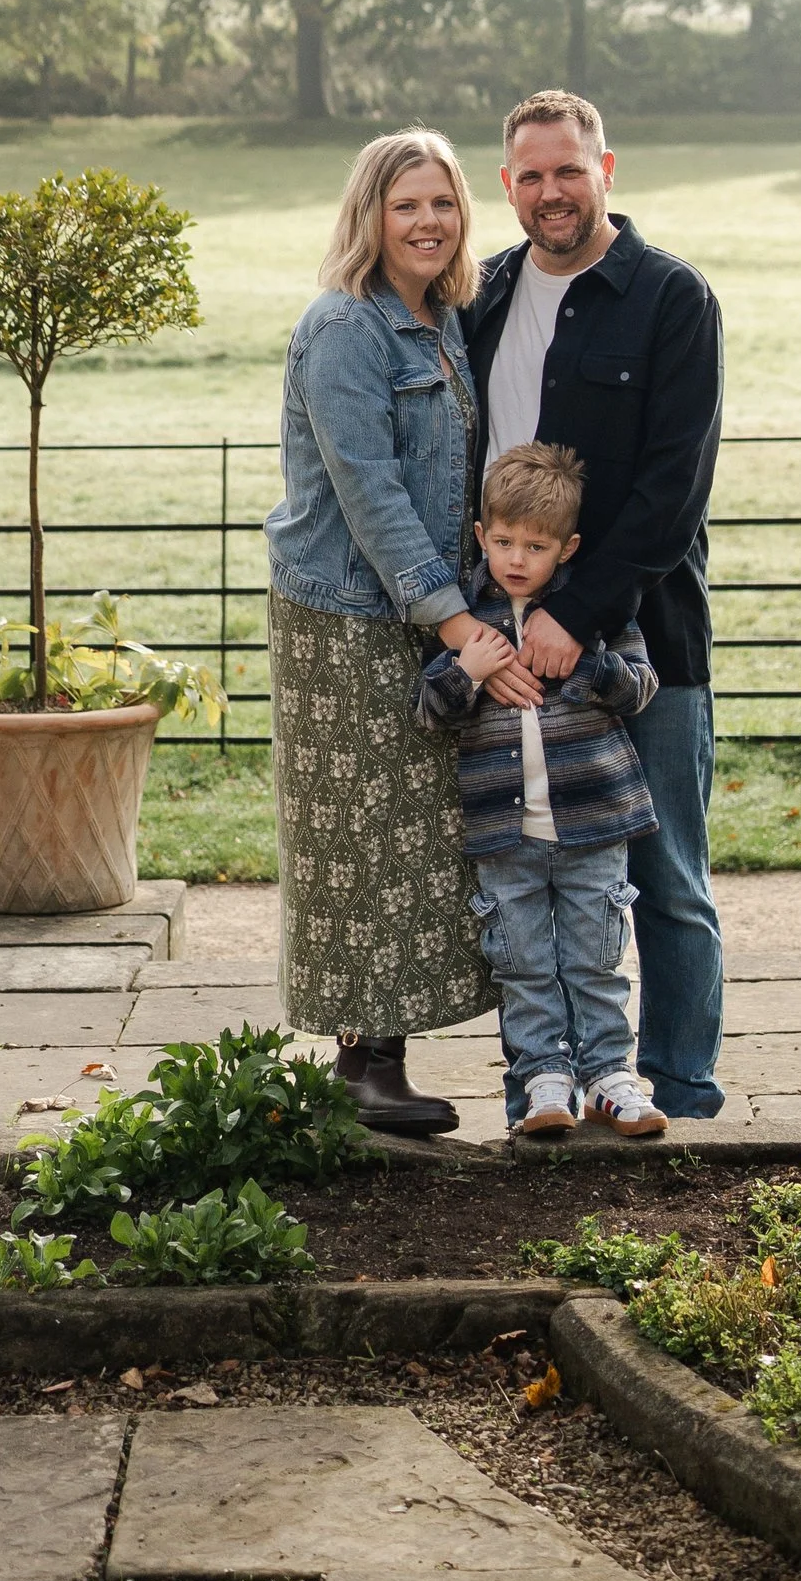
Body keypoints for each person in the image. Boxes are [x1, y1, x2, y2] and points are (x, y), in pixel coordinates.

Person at [463, 89, 726, 1121]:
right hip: (504, 655)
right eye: (529, 175)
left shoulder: (671, 299)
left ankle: (684, 1092)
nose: (550, 192)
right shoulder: (481, 295)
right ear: (507, 186)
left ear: (606, 170)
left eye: (568, 170)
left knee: (663, 877)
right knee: (520, 881)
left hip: (641, 643)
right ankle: (550, 1081)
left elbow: (674, 489)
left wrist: (579, 613)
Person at [266, 130, 492, 1133]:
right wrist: (450, 619)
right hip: (347, 615)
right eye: (407, 205)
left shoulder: (439, 321)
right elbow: (370, 491)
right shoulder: (346, 329)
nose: (428, 222)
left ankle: (378, 1058)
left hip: (415, 605)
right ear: (370, 216)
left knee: (410, 836)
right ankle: (358, 1066)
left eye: (442, 203)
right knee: (354, 833)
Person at [413, 441, 667, 1139]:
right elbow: (429, 710)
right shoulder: (464, 618)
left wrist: (590, 659)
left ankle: (612, 1076)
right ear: (480, 537)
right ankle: (544, 1079)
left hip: (593, 825)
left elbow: (640, 687)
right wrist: (465, 669)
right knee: (522, 963)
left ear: (568, 547)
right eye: (502, 541)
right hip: (504, 834)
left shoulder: (593, 615)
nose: (517, 558)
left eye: (536, 545)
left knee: (595, 957)